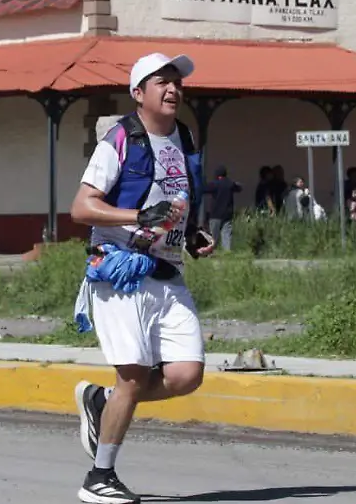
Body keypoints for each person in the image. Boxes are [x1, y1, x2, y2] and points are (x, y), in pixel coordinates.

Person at [68, 52, 216, 504]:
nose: (172, 90)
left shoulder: (184, 137)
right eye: (161, 82)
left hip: (167, 272)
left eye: (177, 83)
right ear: (138, 93)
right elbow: (81, 207)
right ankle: (99, 477)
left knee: (186, 374)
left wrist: (191, 234)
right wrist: (137, 216)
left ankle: (101, 402)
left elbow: (177, 200)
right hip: (121, 271)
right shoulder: (120, 139)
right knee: (132, 377)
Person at [203, 165, 242, 251]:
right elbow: (239, 188)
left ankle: (211, 252)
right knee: (226, 235)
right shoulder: (230, 184)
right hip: (227, 214)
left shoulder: (214, 184)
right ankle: (227, 253)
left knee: (213, 238)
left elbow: (203, 189)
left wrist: (203, 181)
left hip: (215, 215)